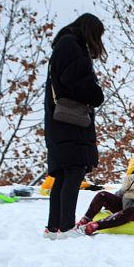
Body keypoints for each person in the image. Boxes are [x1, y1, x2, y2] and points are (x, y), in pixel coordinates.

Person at [44, 13, 106, 239]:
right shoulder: (72, 45)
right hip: (71, 121)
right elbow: (75, 81)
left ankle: (54, 227)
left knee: (63, 173)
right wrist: (96, 93)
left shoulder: (64, 44)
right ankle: (66, 226)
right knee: (73, 170)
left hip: (58, 120)